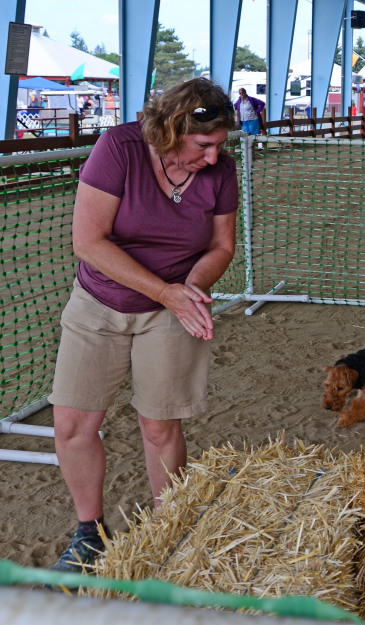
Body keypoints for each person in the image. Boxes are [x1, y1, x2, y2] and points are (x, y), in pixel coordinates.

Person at [48, 78, 238, 573]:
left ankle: (169, 528)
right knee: (73, 424)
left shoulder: (222, 172)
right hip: (100, 301)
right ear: (172, 129)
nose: (215, 157)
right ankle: (90, 534)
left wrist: (190, 289)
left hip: (173, 307)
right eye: (204, 145)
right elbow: (88, 241)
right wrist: (166, 292)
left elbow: (221, 246)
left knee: (159, 424)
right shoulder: (119, 148)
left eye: (221, 145)